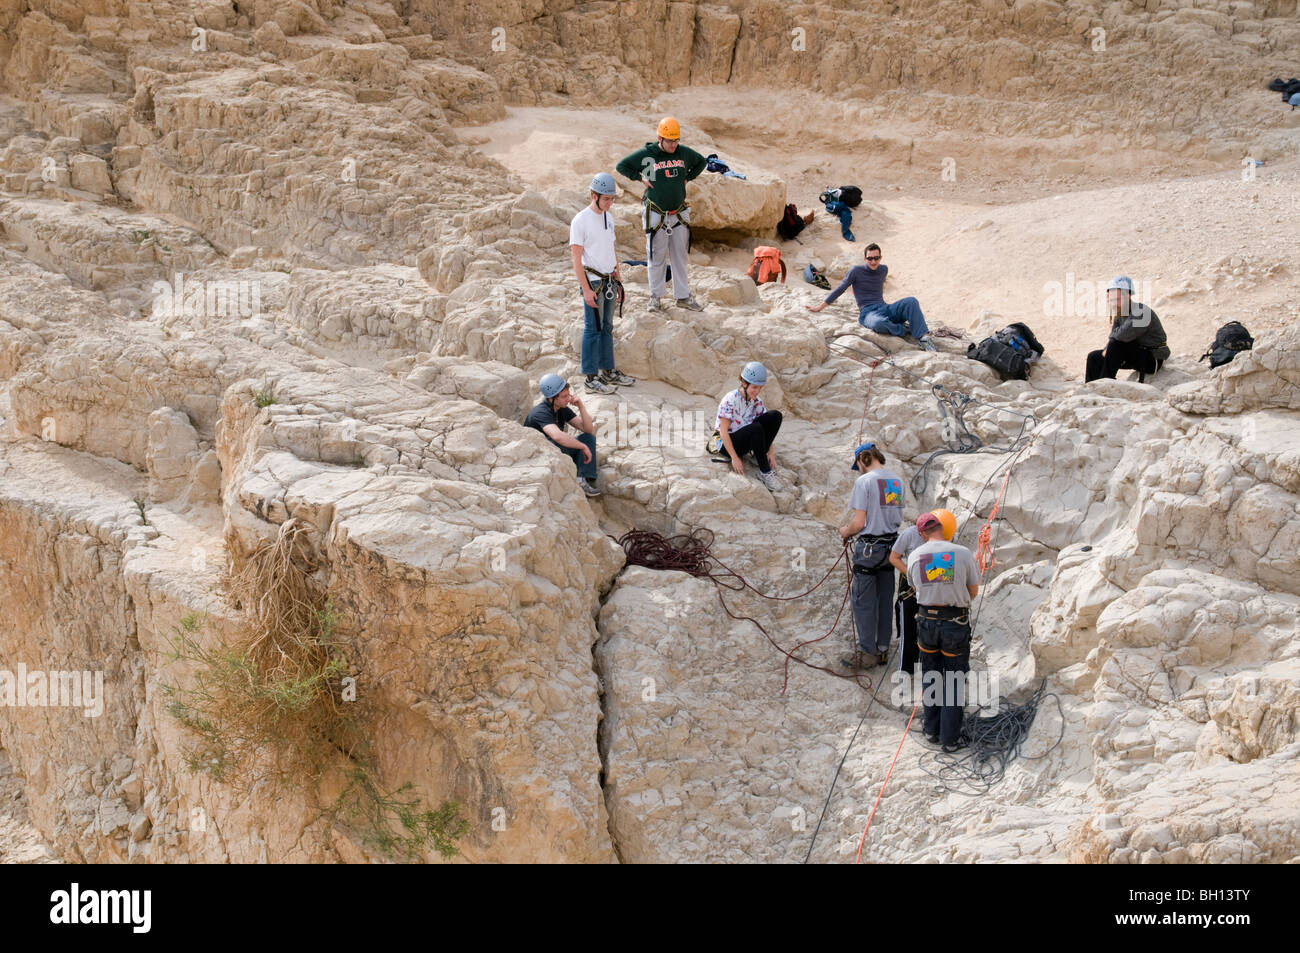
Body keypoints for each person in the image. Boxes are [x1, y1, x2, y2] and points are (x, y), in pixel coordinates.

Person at [616, 116, 707, 313]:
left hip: (678, 213)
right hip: (656, 212)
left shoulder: (683, 153)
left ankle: (682, 296)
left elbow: (701, 162)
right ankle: (655, 297)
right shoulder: (648, 155)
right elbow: (622, 166)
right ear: (660, 138)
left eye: (676, 140)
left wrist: (687, 177)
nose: (674, 145)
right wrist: (639, 177)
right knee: (656, 256)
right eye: (670, 141)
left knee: (679, 256)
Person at [906, 512, 980, 751]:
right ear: (942, 528)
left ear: (922, 534)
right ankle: (950, 739)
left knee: (931, 674)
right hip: (954, 624)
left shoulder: (915, 555)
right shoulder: (963, 553)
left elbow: (915, 587)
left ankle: (931, 729)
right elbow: (973, 591)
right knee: (954, 679)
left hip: (926, 623)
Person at [838, 442, 905, 670]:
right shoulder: (896, 482)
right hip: (891, 548)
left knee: (863, 601)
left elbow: (859, 522)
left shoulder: (864, 481)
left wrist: (845, 532)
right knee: (885, 599)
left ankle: (867, 653)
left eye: (859, 465)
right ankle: (883, 649)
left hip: (869, 549)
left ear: (862, 460)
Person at [570, 173, 636, 395]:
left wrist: (617, 276)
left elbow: (611, 248)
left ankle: (608, 370)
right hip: (594, 280)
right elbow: (576, 258)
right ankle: (590, 378)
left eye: (612, 199)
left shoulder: (609, 217)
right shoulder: (580, 220)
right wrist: (586, 289)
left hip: (609, 279)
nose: (609, 203)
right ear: (594, 195)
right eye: (606, 198)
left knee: (607, 326)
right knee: (592, 328)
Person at [807, 244, 937, 351]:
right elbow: (840, 289)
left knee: (911, 301)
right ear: (865, 259)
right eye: (870, 258)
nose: (873, 261)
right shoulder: (855, 271)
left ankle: (924, 338)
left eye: (876, 258)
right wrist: (820, 307)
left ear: (881, 258)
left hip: (885, 307)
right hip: (868, 312)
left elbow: (879, 285)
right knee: (878, 323)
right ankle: (904, 329)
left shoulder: (884, 269)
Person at [888, 507, 956, 685]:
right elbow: (894, 557)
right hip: (911, 588)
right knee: (908, 630)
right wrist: (912, 578)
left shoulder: (946, 535)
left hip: (934, 588)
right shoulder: (909, 535)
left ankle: (930, 671)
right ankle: (905, 671)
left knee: (931, 630)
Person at [524, 373, 601, 498]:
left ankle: (582, 479)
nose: (568, 398)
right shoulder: (540, 412)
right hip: (538, 456)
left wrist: (581, 406)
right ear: (552, 398)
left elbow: (587, 429)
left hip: (557, 451)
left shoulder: (561, 408)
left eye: (568, 394)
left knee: (588, 438)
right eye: (564, 396)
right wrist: (582, 447)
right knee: (556, 442)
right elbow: (557, 436)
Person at [1085, 275, 1170, 383]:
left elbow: (1122, 335)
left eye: (1117, 299)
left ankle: (1105, 383)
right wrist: (1108, 348)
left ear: (1128, 295)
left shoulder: (1142, 312)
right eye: (1111, 299)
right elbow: (1114, 337)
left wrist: (1111, 343)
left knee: (1116, 344)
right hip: (1135, 354)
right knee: (1094, 357)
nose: (1113, 303)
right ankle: (1091, 388)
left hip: (1153, 359)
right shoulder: (1120, 314)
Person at [716, 361, 783, 492]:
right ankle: (764, 472)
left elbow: (766, 426)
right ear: (744, 383)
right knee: (755, 428)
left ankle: (760, 455)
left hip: (747, 438)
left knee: (775, 415)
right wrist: (735, 458)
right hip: (727, 444)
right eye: (754, 387)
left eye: (759, 388)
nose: (757, 391)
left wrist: (771, 453)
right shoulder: (730, 399)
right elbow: (723, 432)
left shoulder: (756, 401)